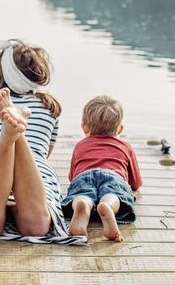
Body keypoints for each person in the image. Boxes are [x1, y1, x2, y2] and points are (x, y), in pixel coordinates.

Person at [0, 39, 85, 246]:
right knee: (37, 227)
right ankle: (17, 133)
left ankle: (9, 136)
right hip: (35, 165)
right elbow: (45, 153)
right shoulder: (49, 108)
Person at [62, 95, 142, 242]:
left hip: (84, 176)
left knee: (82, 193)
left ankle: (83, 204)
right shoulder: (125, 146)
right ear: (120, 129)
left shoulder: (80, 145)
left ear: (84, 127)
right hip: (114, 176)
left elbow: (72, 177)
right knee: (114, 194)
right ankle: (108, 205)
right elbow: (136, 182)